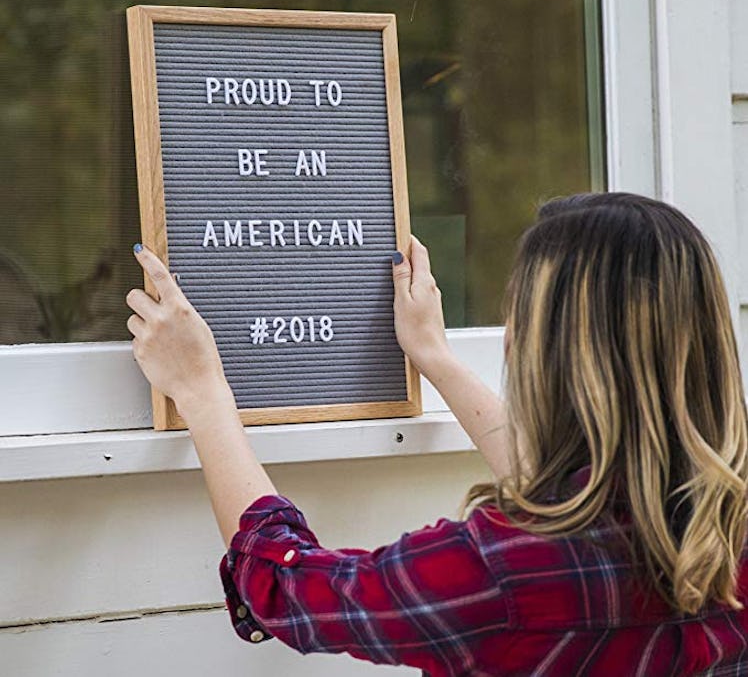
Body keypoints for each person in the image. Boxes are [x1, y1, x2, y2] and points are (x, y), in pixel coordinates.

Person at [125, 192, 748, 675]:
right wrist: (437, 358)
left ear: (557, 354)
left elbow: (289, 588)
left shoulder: (501, 571)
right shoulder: (725, 520)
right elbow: (586, 501)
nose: (508, 336)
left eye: (521, 315)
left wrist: (203, 394)